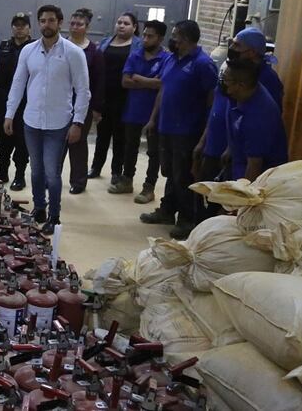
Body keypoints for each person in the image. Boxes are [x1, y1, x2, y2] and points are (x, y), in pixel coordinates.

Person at [5, 5, 90, 234]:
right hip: (31, 121)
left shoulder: (73, 53)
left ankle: (54, 215)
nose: (47, 25)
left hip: (58, 123)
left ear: (60, 23)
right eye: (42, 21)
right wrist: (9, 114)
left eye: (51, 20)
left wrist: (78, 122)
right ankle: (39, 208)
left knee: (52, 172)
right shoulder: (28, 51)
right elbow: (18, 83)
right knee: (36, 170)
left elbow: (83, 90)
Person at [140, 20, 218, 240]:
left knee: (183, 175)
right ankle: (167, 210)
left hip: (187, 129)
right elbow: (163, 90)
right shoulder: (171, 59)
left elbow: (212, 99)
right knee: (169, 172)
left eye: (176, 36)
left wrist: (205, 133)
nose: (172, 39)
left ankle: (186, 219)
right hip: (166, 125)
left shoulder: (203, 64)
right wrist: (153, 119)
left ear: (187, 39)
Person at [193, 26, 284, 183]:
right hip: (224, 150)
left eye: (237, 45)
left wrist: (244, 194)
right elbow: (223, 108)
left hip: (250, 159)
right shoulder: (232, 71)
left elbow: (255, 160)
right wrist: (225, 146)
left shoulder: (264, 88)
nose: (231, 48)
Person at [118, 20, 170, 203]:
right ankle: (126, 180)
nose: (145, 39)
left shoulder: (166, 59)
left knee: (153, 152)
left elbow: (162, 84)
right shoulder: (135, 55)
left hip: (154, 112)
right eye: (144, 35)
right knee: (130, 147)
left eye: (150, 36)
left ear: (160, 38)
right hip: (133, 109)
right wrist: (150, 82)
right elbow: (125, 81)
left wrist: (138, 78)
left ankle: (149, 187)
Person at [91, 13, 142, 187]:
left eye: (126, 23)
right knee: (102, 134)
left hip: (125, 97)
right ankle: (96, 167)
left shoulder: (138, 45)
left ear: (134, 27)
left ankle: (116, 171)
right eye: (119, 22)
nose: (121, 25)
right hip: (105, 95)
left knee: (120, 137)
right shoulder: (106, 42)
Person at [220, 59, 288, 181]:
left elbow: (254, 165)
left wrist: (244, 191)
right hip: (238, 164)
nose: (222, 83)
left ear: (240, 85)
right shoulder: (242, 94)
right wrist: (230, 148)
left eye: (226, 80)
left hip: (258, 178)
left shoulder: (259, 116)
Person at [0, 13, 34, 190]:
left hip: (25, 101)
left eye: (23, 25)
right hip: (3, 99)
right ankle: (2, 172)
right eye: (16, 25)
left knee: (22, 141)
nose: (19, 28)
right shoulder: (3, 47)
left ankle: (19, 176)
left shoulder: (34, 48)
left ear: (29, 28)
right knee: (3, 139)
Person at [65, 8, 104, 195]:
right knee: (57, 141)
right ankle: (51, 177)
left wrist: (96, 108)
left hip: (83, 104)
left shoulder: (94, 52)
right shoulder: (61, 46)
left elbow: (99, 81)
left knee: (78, 142)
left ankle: (78, 181)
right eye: (72, 23)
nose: (75, 27)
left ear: (87, 27)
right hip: (60, 103)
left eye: (79, 24)